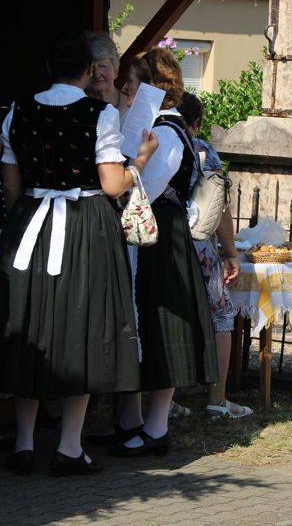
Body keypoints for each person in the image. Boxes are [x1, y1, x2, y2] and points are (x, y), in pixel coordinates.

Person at [0, 32, 157, 476]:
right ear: (89, 71)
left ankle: (25, 444)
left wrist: (28, 218)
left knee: (29, 326)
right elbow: (111, 185)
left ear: (50, 69)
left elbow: (11, 188)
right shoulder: (100, 114)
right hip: (84, 228)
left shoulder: (17, 111)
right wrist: (140, 160)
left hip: (29, 227)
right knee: (81, 330)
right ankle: (69, 447)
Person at [108, 48, 218, 457]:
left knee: (161, 329)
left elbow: (145, 191)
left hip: (161, 239)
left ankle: (156, 427)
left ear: (155, 87)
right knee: (142, 329)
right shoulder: (154, 127)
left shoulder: (168, 131)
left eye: (133, 85)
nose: (127, 92)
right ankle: (131, 422)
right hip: (148, 238)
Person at [177, 92, 249, 419]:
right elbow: (218, 203)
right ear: (196, 123)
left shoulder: (150, 140)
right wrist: (230, 251)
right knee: (221, 315)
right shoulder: (201, 149)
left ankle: (160, 400)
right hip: (199, 242)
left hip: (159, 239)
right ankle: (217, 399)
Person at [84, 32, 129, 114]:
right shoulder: (76, 110)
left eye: (102, 66)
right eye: (90, 67)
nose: (96, 74)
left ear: (115, 70)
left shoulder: (132, 107)